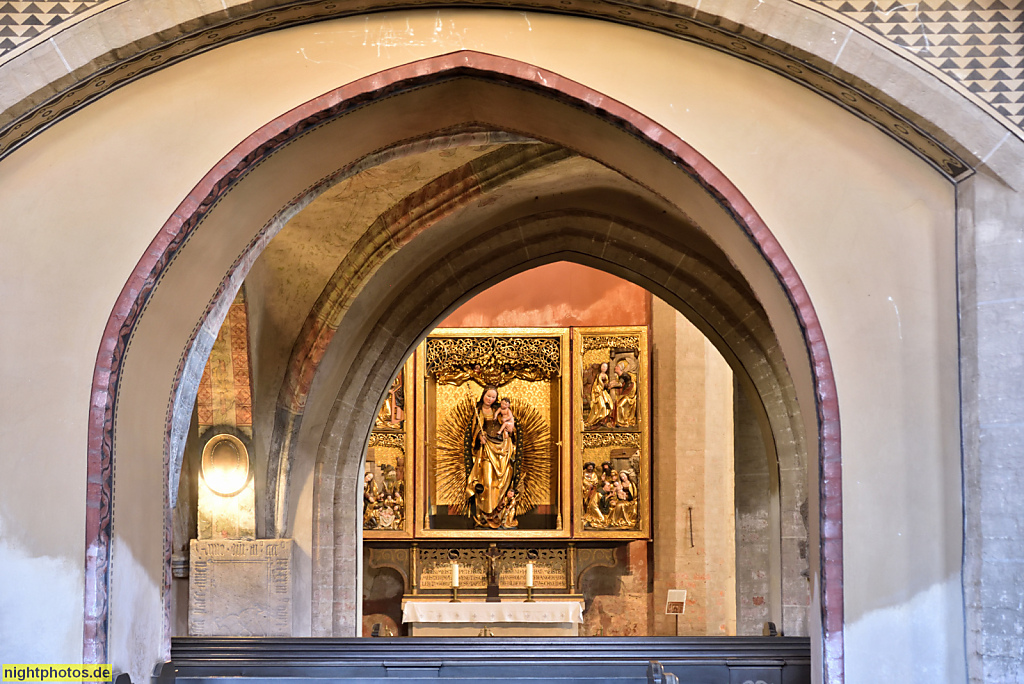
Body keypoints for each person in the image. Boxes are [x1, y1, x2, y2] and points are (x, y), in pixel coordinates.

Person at [465, 385, 517, 528]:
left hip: (502, 448)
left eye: (493, 397)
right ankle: (485, 514)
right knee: (487, 482)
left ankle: (498, 515)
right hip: (486, 450)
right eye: (488, 396)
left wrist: (510, 430)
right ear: (483, 395)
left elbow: (510, 423)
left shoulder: (499, 410)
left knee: (502, 481)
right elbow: (473, 430)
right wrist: (479, 436)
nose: (490, 399)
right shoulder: (478, 411)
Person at [584, 362, 613, 427]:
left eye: (605, 367)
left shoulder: (606, 376)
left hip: (604, 393)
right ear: (600, 367)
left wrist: (608, 386)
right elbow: (596, 385)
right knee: (601, 406)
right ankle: (596, 420)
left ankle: (603, 421)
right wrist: (598, 390)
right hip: (598, 393)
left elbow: (606, 384)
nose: (604, 368)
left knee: (610, 405)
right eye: (603, 367)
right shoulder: (598, 375)